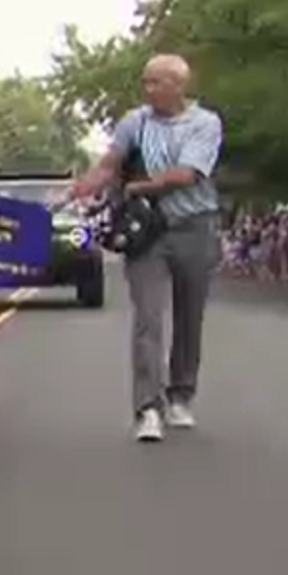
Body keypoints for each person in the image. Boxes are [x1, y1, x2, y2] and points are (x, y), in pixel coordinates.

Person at [68, 53, 224, 443]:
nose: (147, 89)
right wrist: (83, 188)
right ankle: (147, 408)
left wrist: (137, 187)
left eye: (155, 82)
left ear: (178, 86)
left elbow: (187, 174)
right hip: (146, 233)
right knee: (148, 320)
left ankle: (181, 396)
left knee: (190, 317)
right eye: (146, 81)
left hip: (194, 226)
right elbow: (109, 163)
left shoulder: (204, 123)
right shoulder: (134, 121)